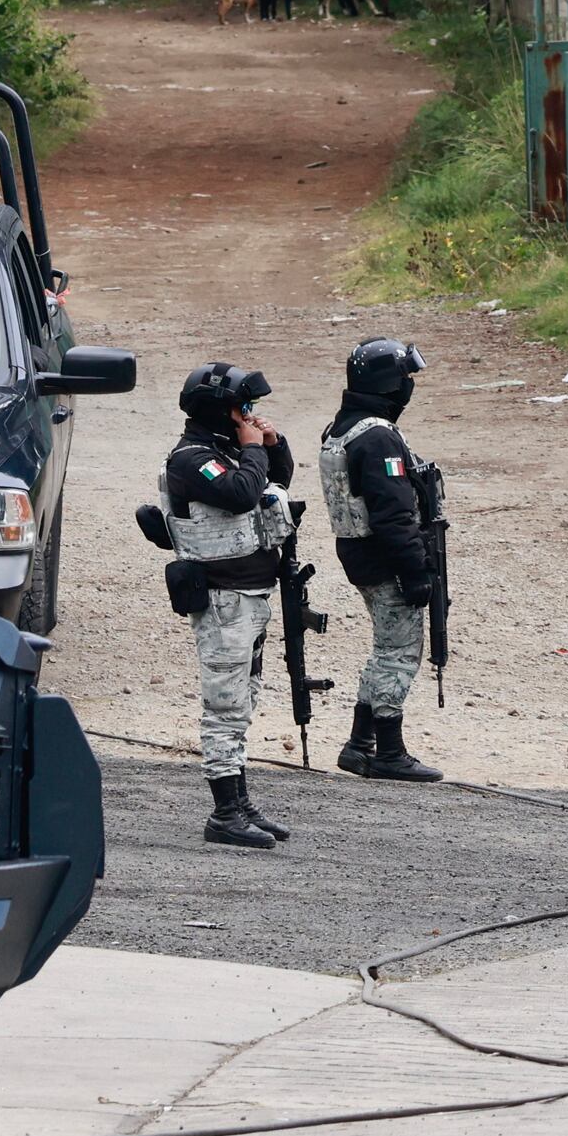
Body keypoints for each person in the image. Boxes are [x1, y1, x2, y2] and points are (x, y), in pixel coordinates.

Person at [164, 361, 298, 849]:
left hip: (250, 595)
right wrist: (247, 447)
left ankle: (239, 803)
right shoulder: (192, 459)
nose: (249, 414)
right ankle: (223, 813)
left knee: (244, 702)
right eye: (243, 407)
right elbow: (242, 493)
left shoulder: (223, 450)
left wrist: (270, 442)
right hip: (222, 599)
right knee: (224, 706)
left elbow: (275, 479)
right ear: (219, 410)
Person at [320, 337, 444, 782]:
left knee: (385, 649)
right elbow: (393, 513)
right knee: (400, 653)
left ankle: (360, 745)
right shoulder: (375, 437)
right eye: (405, 377)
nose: (409, 385)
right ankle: (388, 752)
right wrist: (415, 571)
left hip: (361, 555)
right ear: (388, 382)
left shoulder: (342, 428)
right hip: (384, 558)